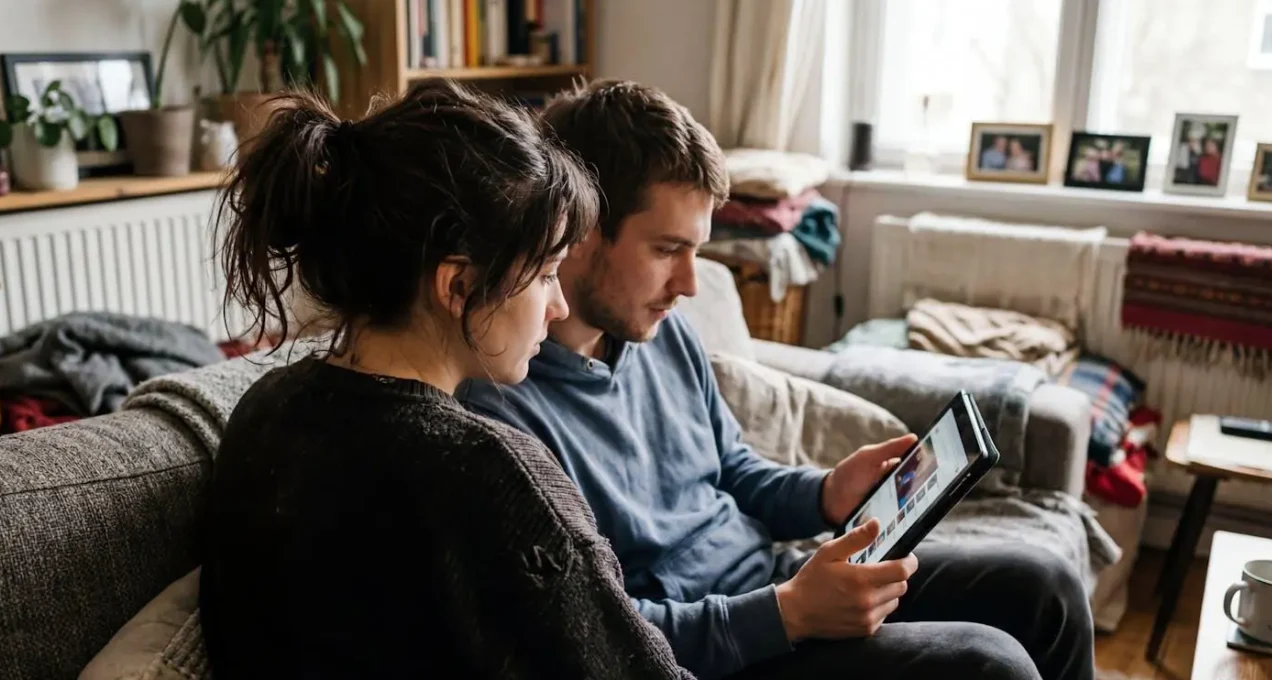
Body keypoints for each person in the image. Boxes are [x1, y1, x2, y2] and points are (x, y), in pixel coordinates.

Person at [459, 79, 1094, 680]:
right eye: (665, 250)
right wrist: (788, 612)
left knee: (1045, 588)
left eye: (696, 251)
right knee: (992, 665)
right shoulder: (502, 415)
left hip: (776, 580)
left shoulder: (659, 329)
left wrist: (827, 494)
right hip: (723, 649)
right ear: (579, 232)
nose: (688, 285)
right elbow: (602, 634)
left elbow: (732, 469)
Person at [199, 79, 691, 679]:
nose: (558, 306)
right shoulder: (490, 472)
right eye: (545, 275)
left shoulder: (263, 409)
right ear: (457, 287)